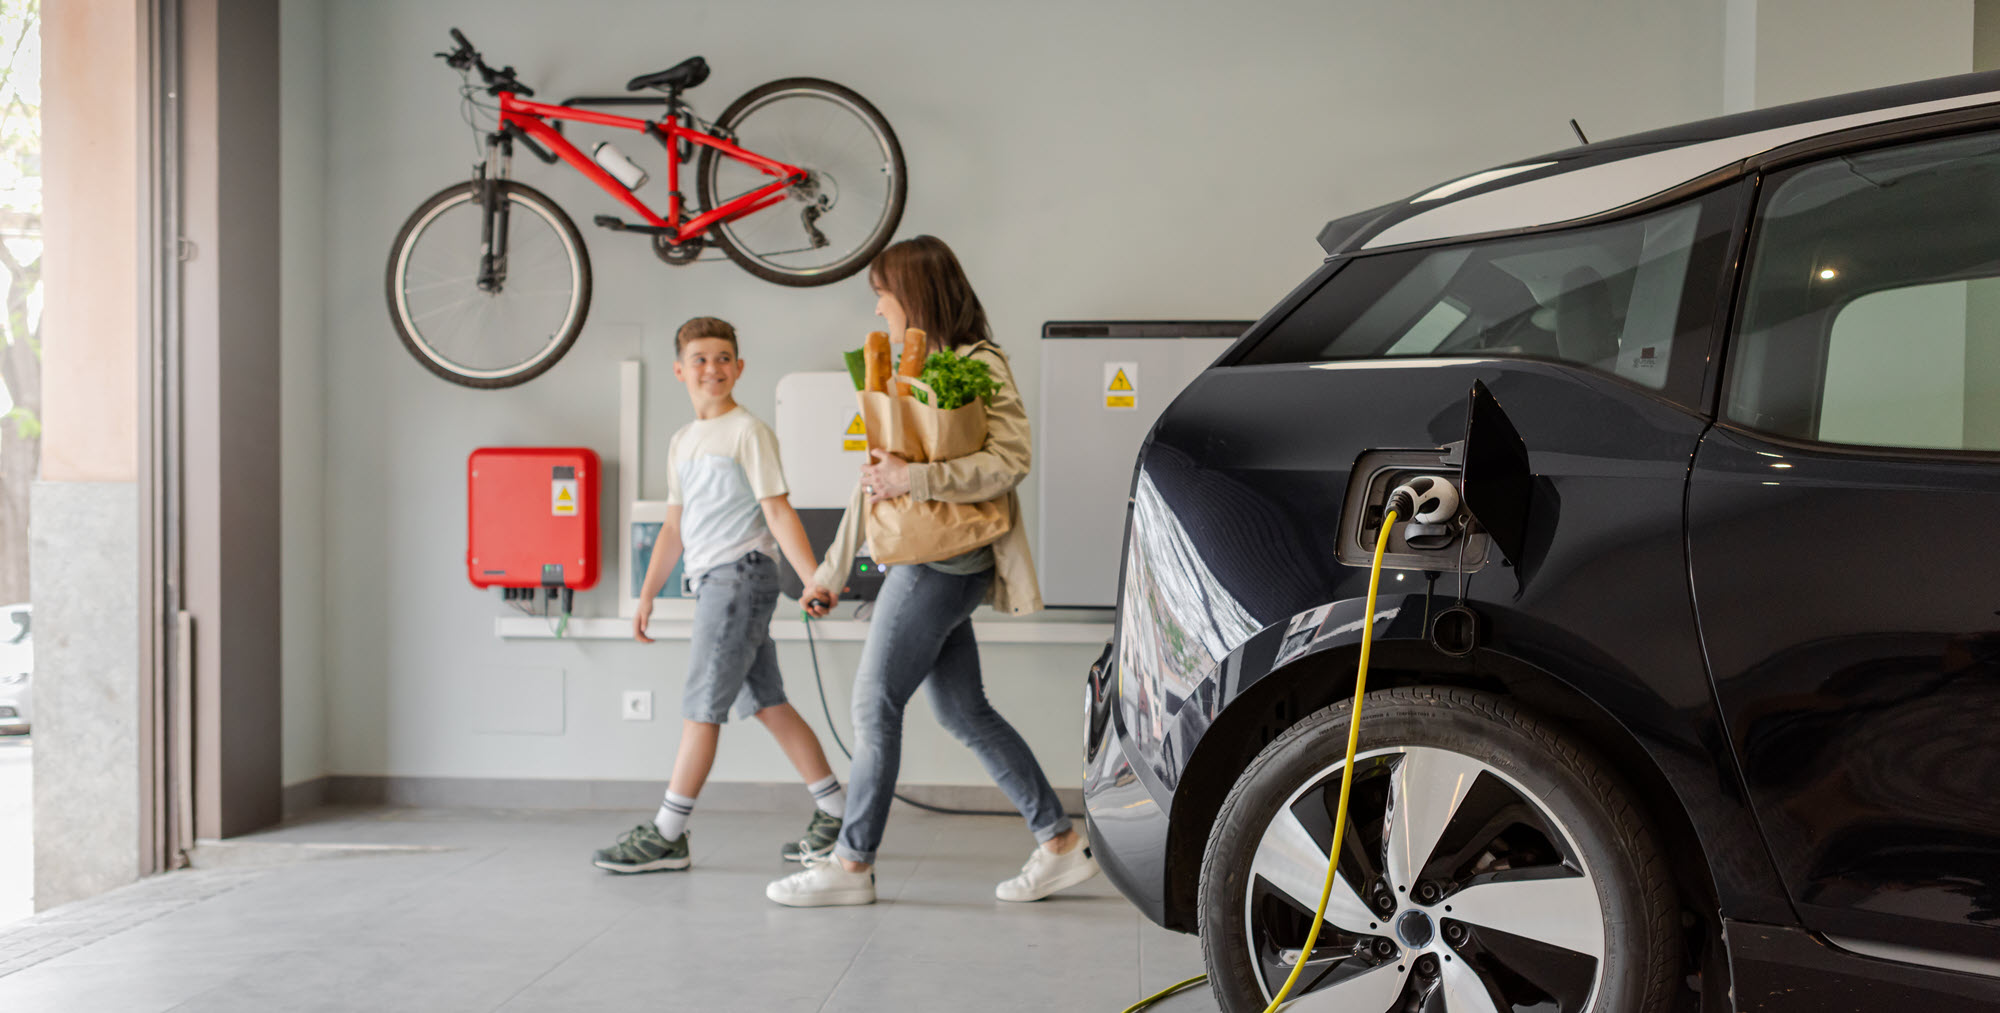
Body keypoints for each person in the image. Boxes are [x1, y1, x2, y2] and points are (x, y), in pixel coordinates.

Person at [767, 236, 1099, 908]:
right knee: (962, 709)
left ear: (915, 295)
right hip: (924, 559)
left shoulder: (980, 364)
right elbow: (874, 482)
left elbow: (1010, 461)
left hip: (943, 563)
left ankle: (851, 863)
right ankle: (1060, 842)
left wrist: (913, 477)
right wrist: (829, 570)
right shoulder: (908, 370)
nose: (879, 308)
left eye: (884, 294)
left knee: (873, 704)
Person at [592, 317, 848, 873]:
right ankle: (837, 814)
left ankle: (667, 835)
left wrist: (814, 579)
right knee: (768, 703)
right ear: (680, 370)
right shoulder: (682, 441)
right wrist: (646, 595)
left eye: (724, 357)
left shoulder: (747, 431)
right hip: (716, 581)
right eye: (701, 359)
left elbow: (778, 510)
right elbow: (673, 528)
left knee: (700, 707)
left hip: (739, 577)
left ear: (740, 367)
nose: (713, 368)